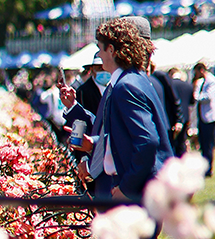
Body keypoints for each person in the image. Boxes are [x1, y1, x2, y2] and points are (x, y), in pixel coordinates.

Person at [60, 18, 174, 227]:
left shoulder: (126, 85)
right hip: (130, 186)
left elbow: (147, 142)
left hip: (133, 192)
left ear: (111, 50)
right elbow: (118, 134)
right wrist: (92, 144)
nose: (99, 57)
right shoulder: (129, 81)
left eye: (100, 50)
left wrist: (126, 188)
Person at [192, 62, 215, 177]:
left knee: (208, 144)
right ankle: (205, 167)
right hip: (204, 116)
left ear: (201, 70)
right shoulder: (205, 81)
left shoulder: (211, 81)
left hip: (209, 118)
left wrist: (196, 95)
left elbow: (208, 97)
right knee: (203, 143)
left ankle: (208, 169)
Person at [168, 67, 194, 157]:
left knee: (172, 143)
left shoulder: (169, 85)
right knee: (182, 142)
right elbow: (192, 102)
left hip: (173, 117)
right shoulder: (188, 85)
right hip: (186, 117)